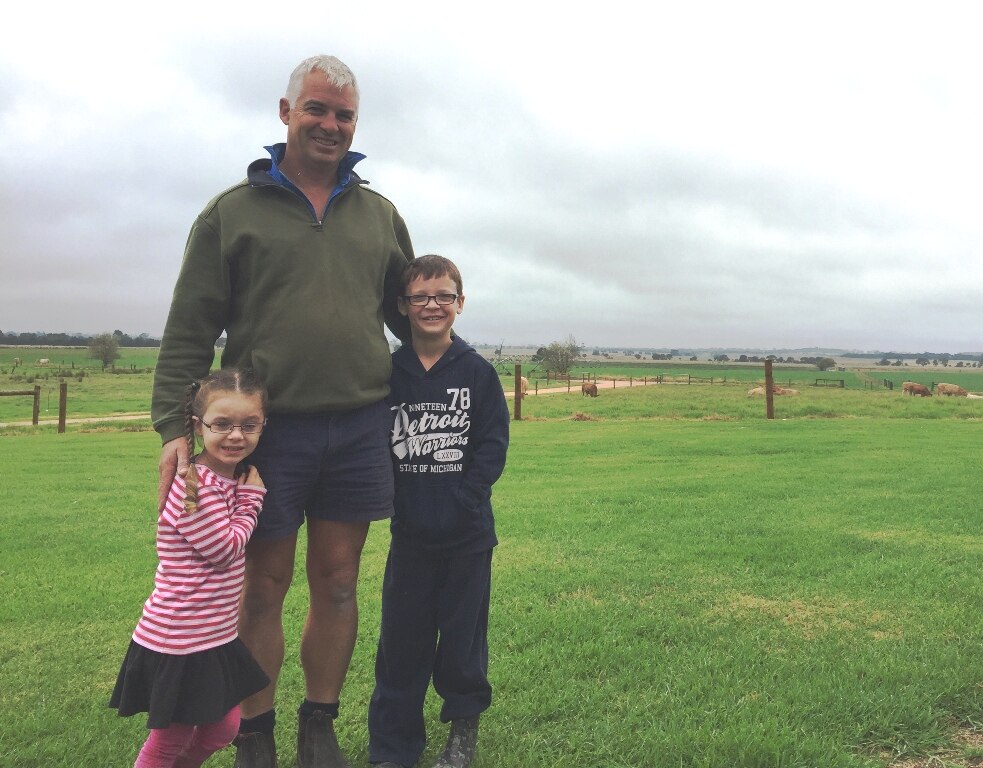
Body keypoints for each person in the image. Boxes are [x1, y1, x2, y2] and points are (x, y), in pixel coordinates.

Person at [150, 55, 414, 768]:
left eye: (344, 114)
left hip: (360, 426)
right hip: (265, 436)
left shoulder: (380, 214)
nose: (330, 124)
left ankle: (318, 725)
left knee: (336, 580)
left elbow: (407, 311)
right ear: (285, 111)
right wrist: (175, 427)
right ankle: (254, 732)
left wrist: (454, 367)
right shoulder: (231, 213)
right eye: (317, 109)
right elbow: (189, 327)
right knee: (262, 585)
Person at [368, 255, 510, 768]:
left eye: (444, 296)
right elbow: (375, 444)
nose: (433, 305)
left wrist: (467, 499)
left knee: (462, 644)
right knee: (401, 645)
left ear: (460, 303)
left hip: (468, 538)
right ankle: (394, 747)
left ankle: (461, 736)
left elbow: (492, 444)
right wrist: (392, 501)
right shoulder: (388, 372)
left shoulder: (476, 372)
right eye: (421, 297)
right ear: (403, 306)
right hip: (410, 537)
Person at [111, 368, 270, 768]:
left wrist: (243, 491)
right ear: (198, 427)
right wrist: (252, 500)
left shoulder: (228, 479)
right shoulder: (191, 485)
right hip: (179, 637)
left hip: (213, 635)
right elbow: (224, 548)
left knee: (223, 729)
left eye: (249, 425)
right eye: (223, 425)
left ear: (264, 425)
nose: (236, 435)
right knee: (169, 741)